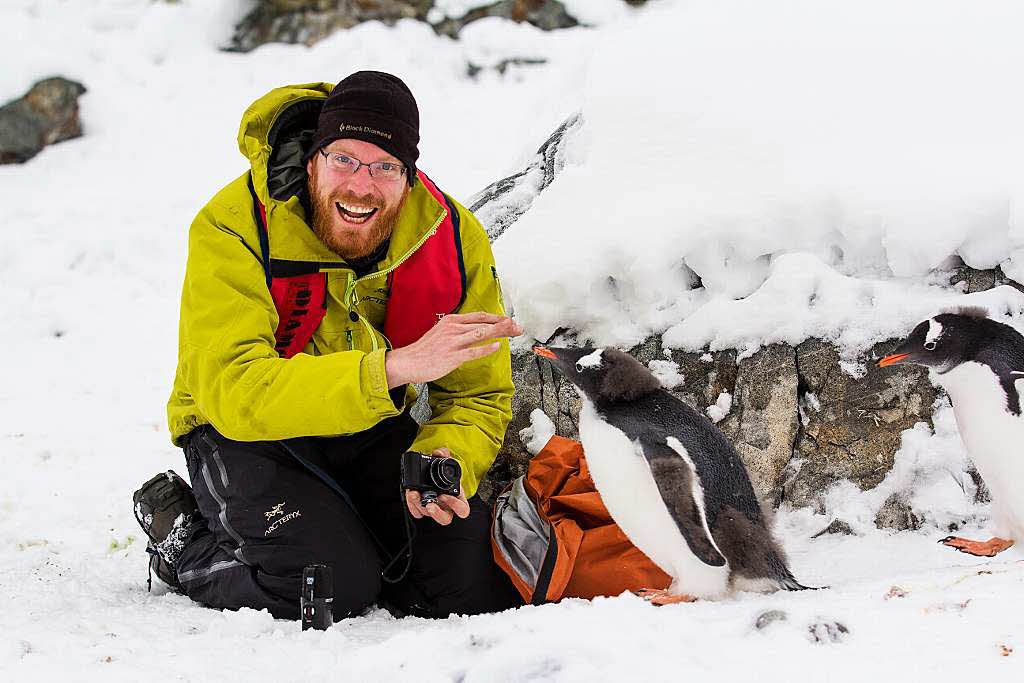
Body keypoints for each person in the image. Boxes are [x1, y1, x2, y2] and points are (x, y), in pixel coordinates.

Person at [132, 71, 524, 620]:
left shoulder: (450, 238)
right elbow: (234, 392)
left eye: (384, 167)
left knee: (470, 585)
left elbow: (477, 397)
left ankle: (345, 527)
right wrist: (394, 367)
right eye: (344, 159)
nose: (361, 187)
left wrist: (445, 455)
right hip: (244, 430)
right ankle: (184, 541)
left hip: (364, 422)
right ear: (314, 159)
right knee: (325, 587)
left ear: (408, 177)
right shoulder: (233, 225)